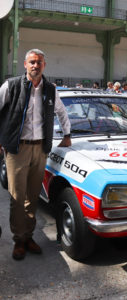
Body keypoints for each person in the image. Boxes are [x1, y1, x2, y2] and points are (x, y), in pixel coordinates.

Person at [0, 49, 71, 260]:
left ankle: (29, 236)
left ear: (44, 65)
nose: (35, 65)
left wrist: (67, 135)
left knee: (32, 197)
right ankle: (19, 239)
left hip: (41, 149)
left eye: (39, 62)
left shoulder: (50, 90)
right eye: (31, 62)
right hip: (17, 150)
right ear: (25, 64)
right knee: (17, 197)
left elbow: (62, 112)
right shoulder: (11, 86)